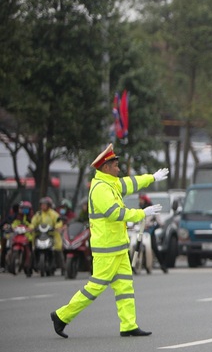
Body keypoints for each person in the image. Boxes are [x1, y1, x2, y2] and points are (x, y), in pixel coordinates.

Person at [50, 144, 168, 338]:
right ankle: (61, 316)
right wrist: (141, 213)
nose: (118, 169)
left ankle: (129, 325)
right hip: (106, 249)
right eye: (115, 165)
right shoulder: (100, 189)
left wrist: (152, 177)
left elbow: (131, 183)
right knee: (95, 288)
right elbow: (115, 213)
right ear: (106, 167)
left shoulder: (111, 183)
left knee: (125, 287)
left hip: (118, 247)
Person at [30, 196, 64, 273]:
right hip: (40, 235)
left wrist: (57, 227)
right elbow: (33, 223)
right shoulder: (38, 214)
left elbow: (59, 222)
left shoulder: (53, 214)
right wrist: (32, 227)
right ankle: (30, 267)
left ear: (49, 205)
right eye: (42, 204)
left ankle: (63, 267)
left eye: (45, 204)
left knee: (58, 250)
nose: (43, 206)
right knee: (33, 250)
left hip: (52, 235)